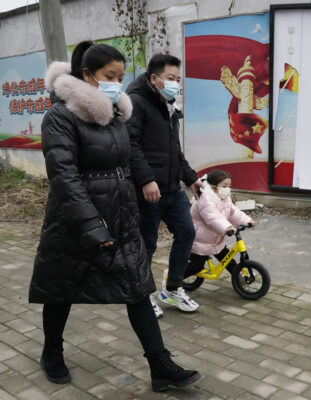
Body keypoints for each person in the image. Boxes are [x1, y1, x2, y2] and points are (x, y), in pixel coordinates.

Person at [29, 41, 200, 392]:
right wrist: (92, 224)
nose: (117, 85)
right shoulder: (60, 117)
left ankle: (161, 366)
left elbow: (128, 163)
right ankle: (52, 352)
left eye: (121, 77)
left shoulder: (115, 115)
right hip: (75, 222)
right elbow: (64, 176)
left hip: (121, 217)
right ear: (88, 75)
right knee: (62, 289)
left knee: (138, 288)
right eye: (110, 76)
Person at [126, 54, 202, 317]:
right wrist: (146, 180)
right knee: (146, 244)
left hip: (172, 189)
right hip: (147, 191)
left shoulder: (169, 105)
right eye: (171, 79)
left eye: (178, 80)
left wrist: (191, 178)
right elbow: (130, 145)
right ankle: (142, 295)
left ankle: (172, 289)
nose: (175, 84)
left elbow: (174, 151)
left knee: (187, 233)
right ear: (155, 79)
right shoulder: (137, 103)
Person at [185, 170, 255, 279]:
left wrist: (246, 220)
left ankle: (238, 276)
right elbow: (212, 218)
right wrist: (227, 227)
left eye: (229, 186)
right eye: (224, 186)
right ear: (213, 188)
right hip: (200, 239)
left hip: (215, 238)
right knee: (196, 266)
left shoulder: (224, 198)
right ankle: (173, 279)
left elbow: (233, 211)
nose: (227, 189)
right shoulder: (205, 199)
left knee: (227, 258)